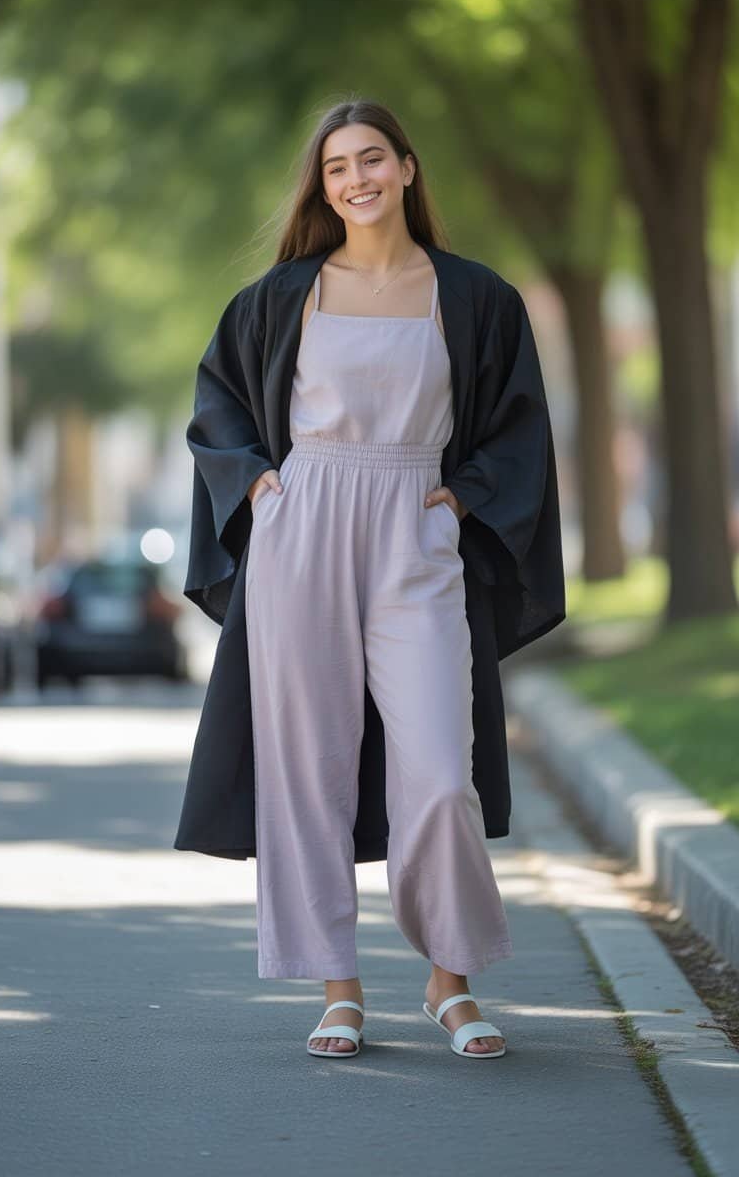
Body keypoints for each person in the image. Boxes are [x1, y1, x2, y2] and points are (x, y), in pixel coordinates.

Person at [175, 98, 566, 1061]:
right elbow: (219, 403)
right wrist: (262, 488)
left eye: (373, 159)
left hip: (416, 528)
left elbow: (518, 425)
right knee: (307, 770)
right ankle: (338, 989)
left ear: (409, 169)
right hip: (303, 524)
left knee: (441, 772)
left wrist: (464, 499)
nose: (357, 178)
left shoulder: (475, 297)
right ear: (323, 186)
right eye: (338, 166)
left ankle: (449, 980)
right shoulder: (280, 297)